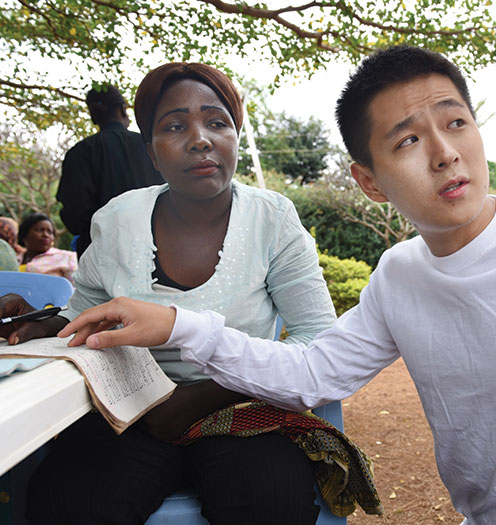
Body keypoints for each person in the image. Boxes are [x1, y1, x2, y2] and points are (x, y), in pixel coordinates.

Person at [61, 45, 496, 524]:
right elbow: (314, 372)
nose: (445, 153)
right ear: (369, 181)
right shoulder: (402, 275)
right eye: (408, 141)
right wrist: (178, 325)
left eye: (455, 124)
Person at [1, 63, 339, 524]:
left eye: (217, 122)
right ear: (152, 154)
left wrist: (199, 398)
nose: (200, 138)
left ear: (236, 136)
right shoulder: (116, 220)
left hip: (238, 406)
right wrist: (39, 323)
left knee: (268, 503)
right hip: (131, 412)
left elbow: (318, 342)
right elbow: (86, 311)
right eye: (175, 126)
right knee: (65, 504)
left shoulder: (273, 220)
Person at [57, 84, 163, 257]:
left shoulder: (79, 153)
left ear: (93, 117)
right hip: (156, 252)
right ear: (123, 110)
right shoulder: (151, 147)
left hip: (100, 257)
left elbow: (74, 216)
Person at [17, 213, 77, 282]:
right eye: (40, 230)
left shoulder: (67, 257)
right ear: (24, 234)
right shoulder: (14, 259)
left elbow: (76, 287)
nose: (45, 235)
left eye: (50, 232)